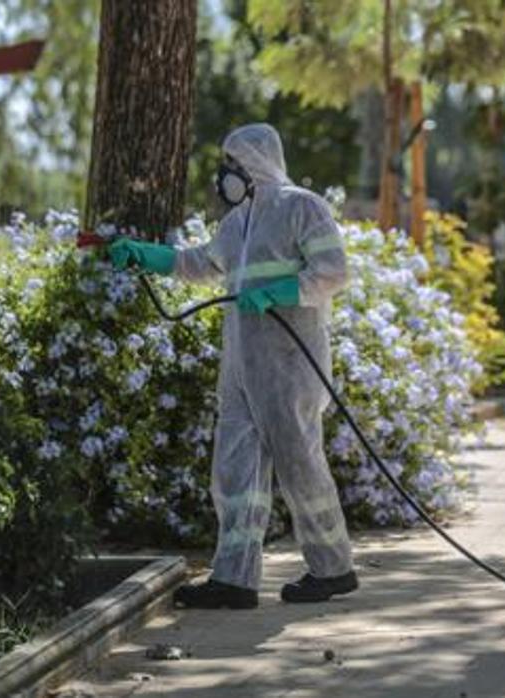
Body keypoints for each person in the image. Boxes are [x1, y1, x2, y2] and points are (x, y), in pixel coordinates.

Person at [106, 123, 358, 609]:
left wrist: (282, 292)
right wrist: (147, 257)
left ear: (255, 164)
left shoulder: (301, 207)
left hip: (291, 363)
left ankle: (333, 569)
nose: (225, 175)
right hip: (243, 367)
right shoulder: (237, 223)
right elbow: (200, 264)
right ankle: (235, 579)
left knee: (299, 464)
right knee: (234, 471)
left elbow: (333, 270)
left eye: (232, 165)